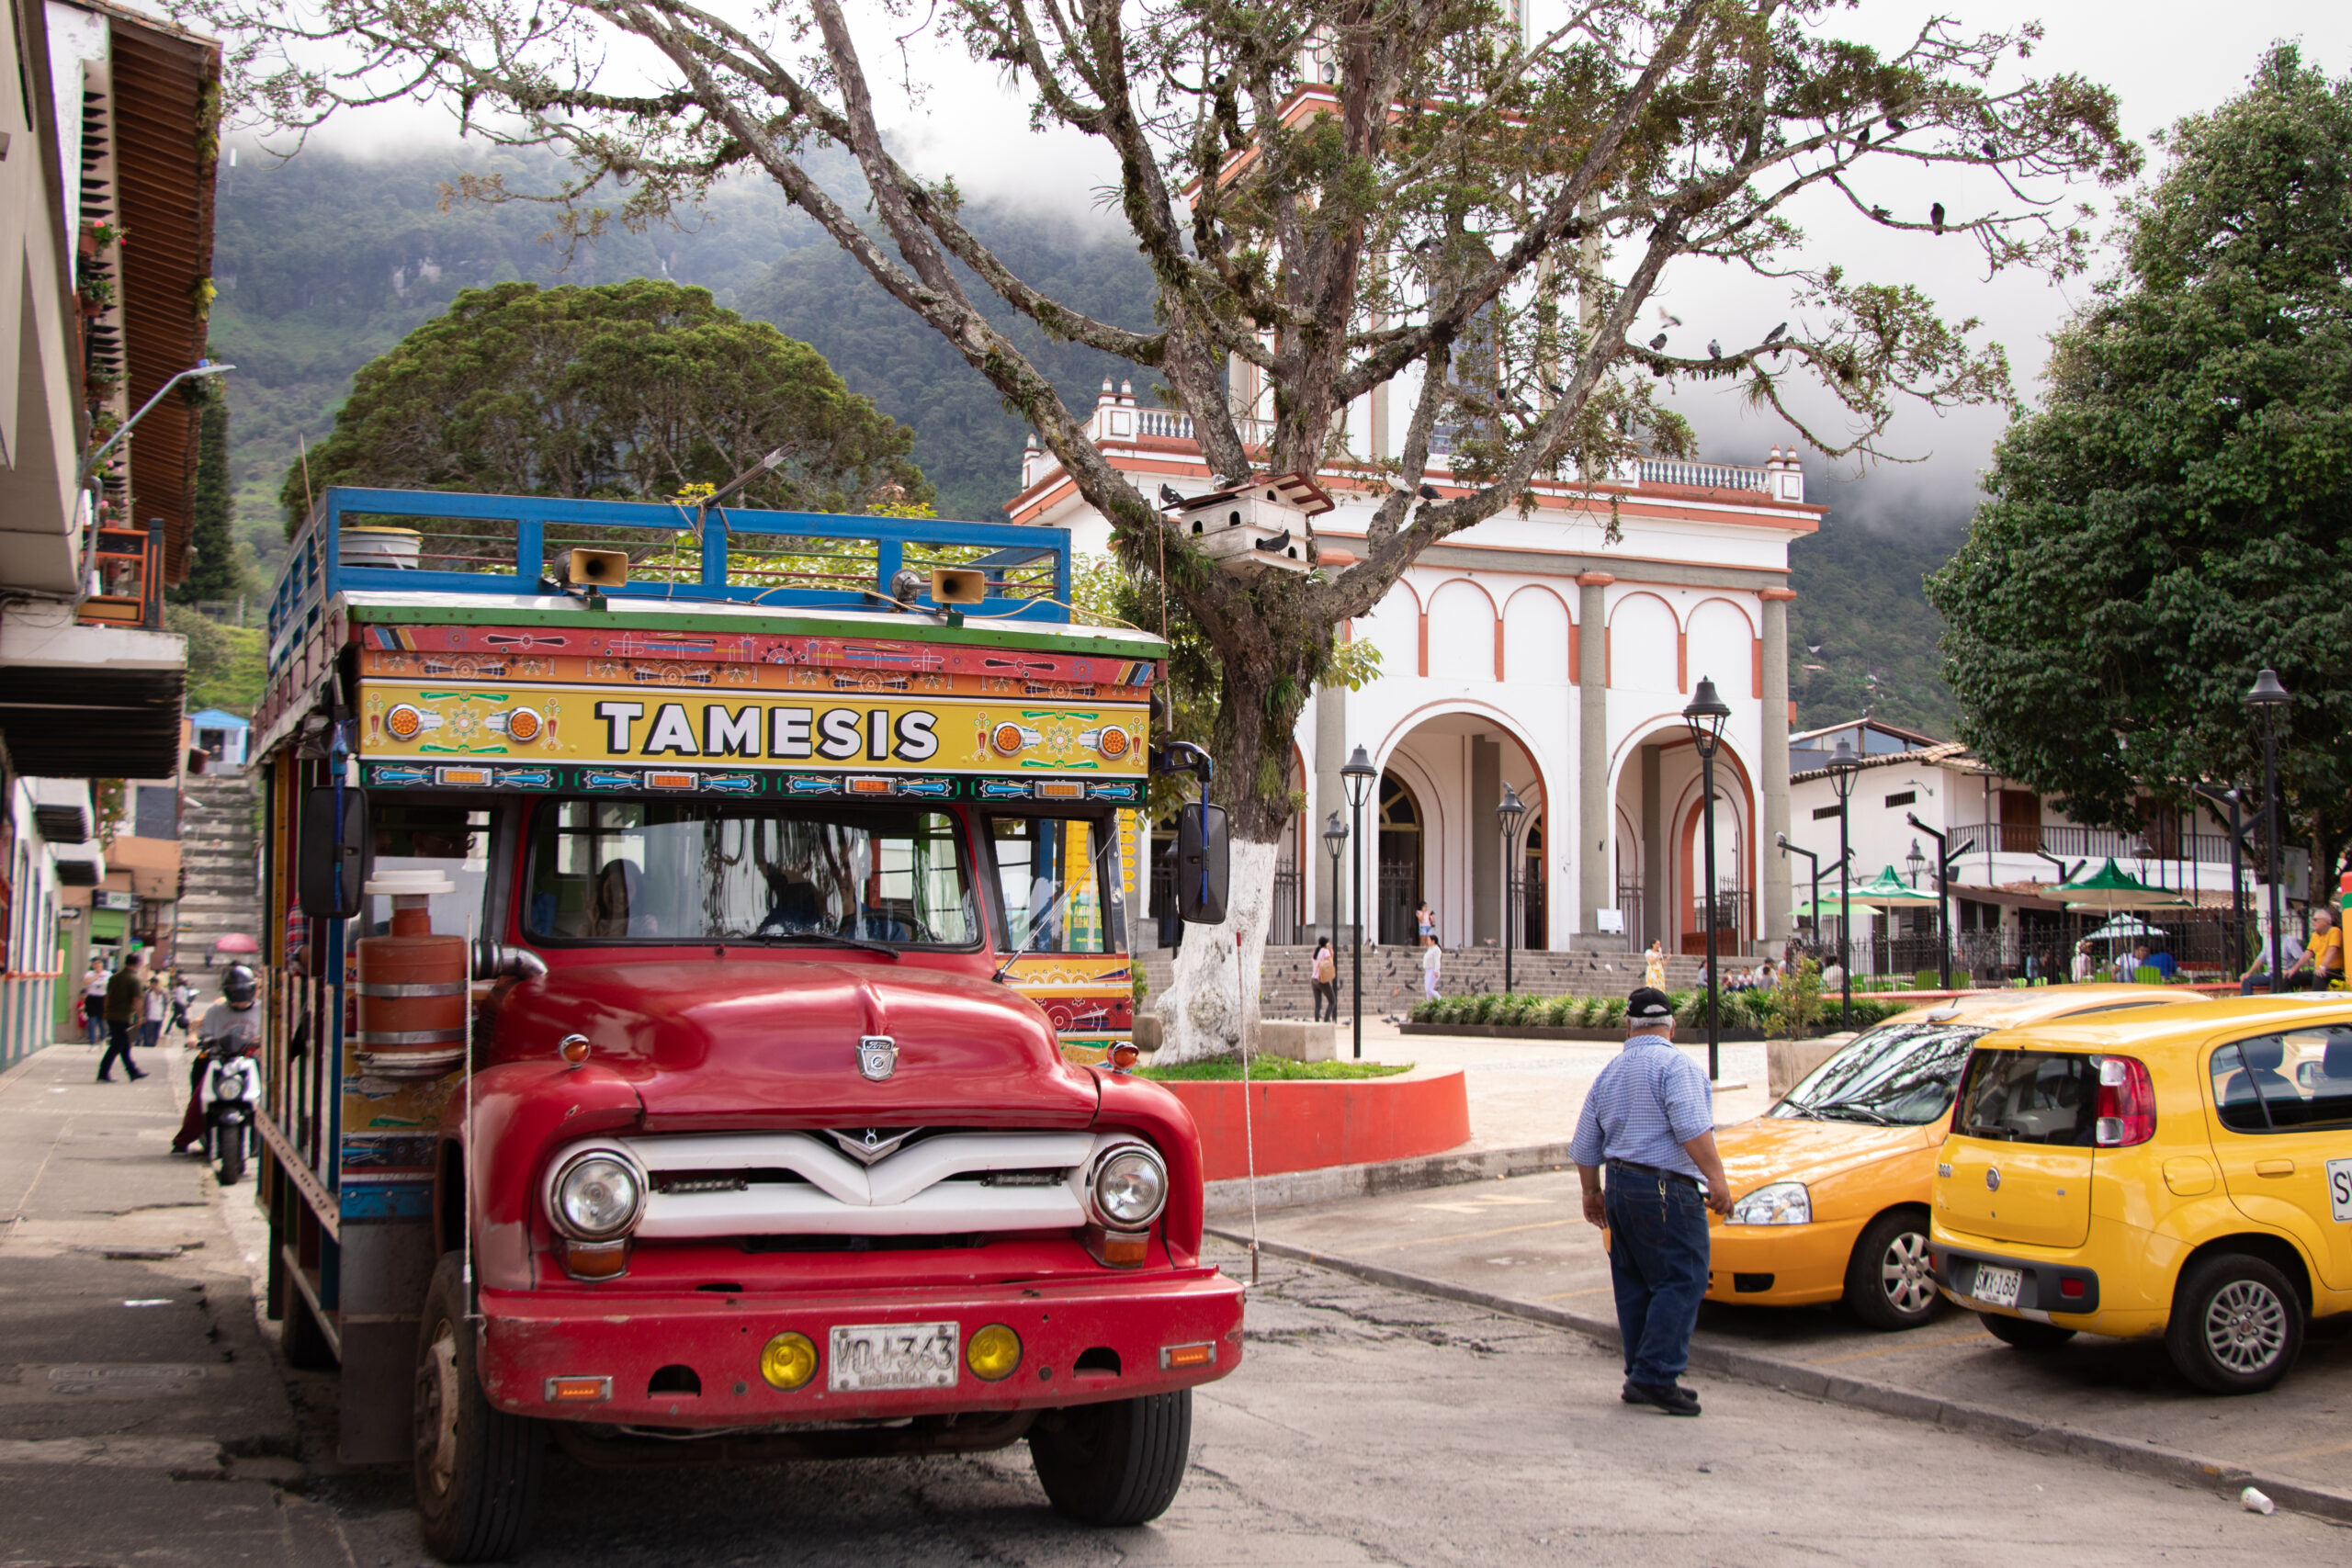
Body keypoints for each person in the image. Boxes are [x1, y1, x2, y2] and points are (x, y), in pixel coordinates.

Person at [1570, 987, 1733, 1416]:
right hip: (1665, 1190)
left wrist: (1591, 1193)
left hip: (1621, 1185)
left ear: (1627, 1026)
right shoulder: (1677, 1066)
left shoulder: (1610, 1072)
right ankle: (1655, 1374)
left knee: (1635, 1281)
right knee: (1683, 1278)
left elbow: (1586, 1144)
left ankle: (1642, 1370)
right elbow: (1692, 1129)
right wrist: (1717, 1180)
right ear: (1672, 1026)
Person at [173, 964, 263, 1154]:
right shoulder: (216, 1010)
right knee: (199, 1096)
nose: (240, 1003)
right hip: (219, 1060)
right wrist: (194, 1040)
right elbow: (199, 1030)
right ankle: (185, 1137)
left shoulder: (263, 1011)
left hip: (251, 1060)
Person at [97, 951, 148, 1083]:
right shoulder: (134, 979)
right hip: (123, 1015)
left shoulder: (115, 977)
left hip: (112, 1014)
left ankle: (133, 1072)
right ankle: (103, 1072)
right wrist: (139, 1017)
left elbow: (107, 996)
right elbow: (137, 1000)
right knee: (117, 1045)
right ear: (137, 963)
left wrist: (105, 1011)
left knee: (123, 1045)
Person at [2240, 923, 2303, 996]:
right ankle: (2248, 1004)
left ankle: (2274, 1003)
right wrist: (2249, 972)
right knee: (2247, 980)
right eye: (2268, 929)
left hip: (2284, 973)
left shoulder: (2289, 940)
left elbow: (2301, 958)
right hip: (2270, 973)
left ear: (2280, 930)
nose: (2268, 931)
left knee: (2275, 979)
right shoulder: (2268, 941)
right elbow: (2260, 959)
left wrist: (2290, 971)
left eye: (2270, 929)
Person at [81, 960, 110, 1046]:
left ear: (102, 964)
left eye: (99, 963)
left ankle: (102, 1038)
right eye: (95, 964)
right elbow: (86, 981)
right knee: (92, 1020)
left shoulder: (107, 973)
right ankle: (92, 1042)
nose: (97, 965)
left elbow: (109, 983)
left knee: (101, 1020)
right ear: (93, 965)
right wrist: (97, 975)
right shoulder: (89, 973)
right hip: (92, 997)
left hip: (102, 998)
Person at [139, 974, 169, 1050]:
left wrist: (165, 1012)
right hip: (150, 1017)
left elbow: (166, 1003)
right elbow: (143, 1005)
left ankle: (152, 1046)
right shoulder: (147, 993)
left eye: (155, 984)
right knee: (149, 1034)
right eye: (152, 984)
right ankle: (148, 1047)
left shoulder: (163, 993)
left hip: (159, 1016)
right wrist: (143, 1016)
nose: (153, 985)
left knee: (156, 1034)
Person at [1311, 937, 1337, 1021]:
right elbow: (1329, 963)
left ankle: (1317, 1021)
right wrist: (1331, 953)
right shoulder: (1325, 951)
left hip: (1313, 979)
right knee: (1332, 1001)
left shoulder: (1316, 951)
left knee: (1318, 1005)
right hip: (1321, 979)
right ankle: (1326, 1020)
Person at [1421, 934, 1442, 1000]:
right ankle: (1428, 1002)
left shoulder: (1436, 950)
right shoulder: (1430, 949)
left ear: (1433, 941)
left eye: (1429, 940)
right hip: (1428, 970)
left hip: (1433, 970)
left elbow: (1437, 961)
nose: (1427, 941)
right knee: (1427, 989)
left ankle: (1439, 997)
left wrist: (1436, 971)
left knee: (1428, 989)